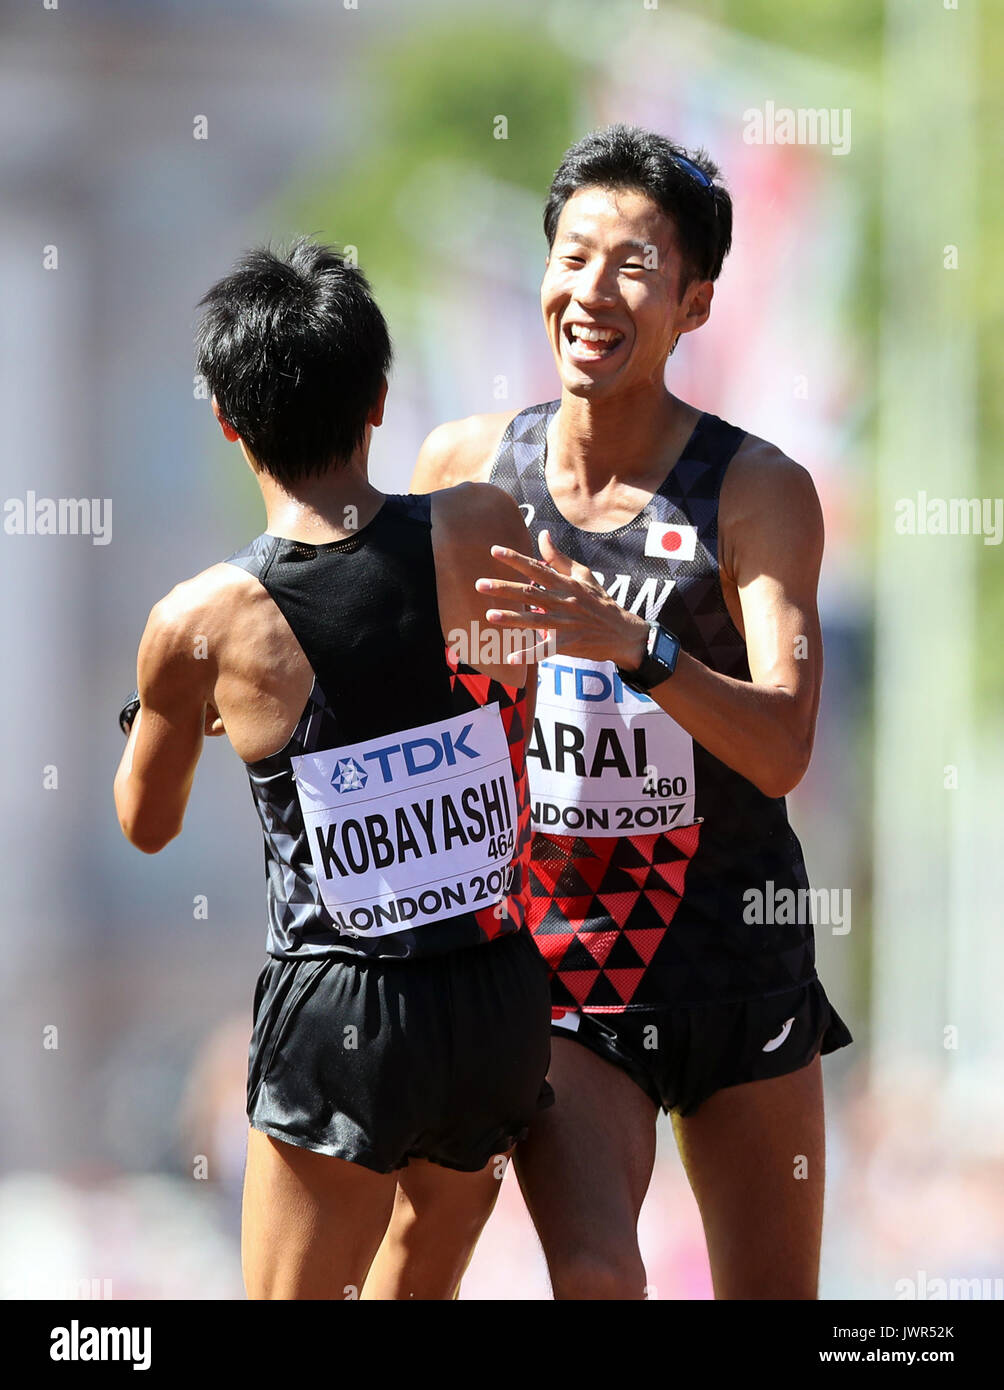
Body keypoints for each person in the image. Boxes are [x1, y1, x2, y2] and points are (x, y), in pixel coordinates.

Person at [411, 125, 852, 1300]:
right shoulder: (463, 470)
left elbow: (780, 746)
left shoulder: (752, 489)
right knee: (597, 1278)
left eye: (633, 266)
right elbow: (371, 659)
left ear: (693, 304)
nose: (589, 291)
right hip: (561, 975)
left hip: (734, 963)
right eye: (572, 254)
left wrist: (634, 648)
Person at [113, 238, 552, 1300]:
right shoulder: (484, 525)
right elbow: (515, 693)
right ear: (380, 401)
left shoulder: (202, 621)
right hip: (490, 990)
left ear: (226, 419)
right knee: (423, 1283)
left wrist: (174, 711)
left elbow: (147, 820)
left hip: (342, 1004)